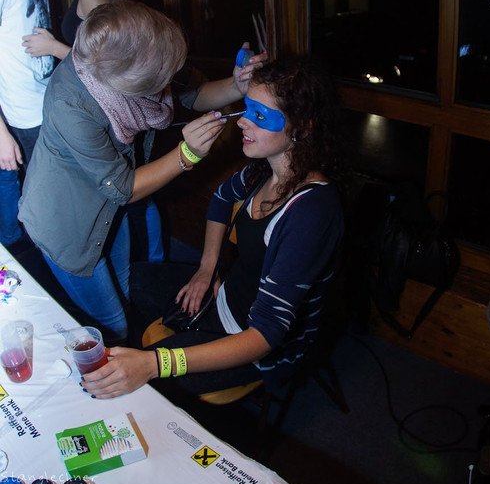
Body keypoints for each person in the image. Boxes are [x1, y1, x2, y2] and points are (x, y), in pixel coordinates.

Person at [79, 56, 347, 400]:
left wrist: (154, 364)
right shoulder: (264, 169)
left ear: (303, 129)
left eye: (260, 116)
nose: (243, 122)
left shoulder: (312, 213)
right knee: (130, 281)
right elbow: (221, 199)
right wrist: (207, 269)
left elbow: (265, 336)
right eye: (248, 108)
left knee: (147, 383)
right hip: (225, 295)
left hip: (253, 345)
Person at [18, 0, 262, 343]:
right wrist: (187, 154)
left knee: (126, 288)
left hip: (109, 210)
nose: (170, 82)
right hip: (67, 223)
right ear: (133, 84)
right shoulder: (70, 105)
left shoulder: (132, 49)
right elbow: (123, 188)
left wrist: (236, 85)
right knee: (112, 325)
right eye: (163, 79)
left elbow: (191, 94)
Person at [0, 0, 58, 248]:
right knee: (36, 211)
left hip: (48, 99)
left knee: (48, 204)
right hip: (21, 114)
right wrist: (0, 133)